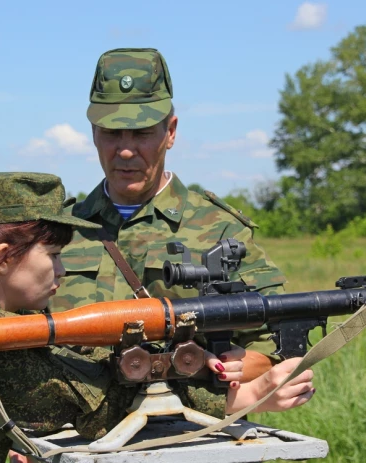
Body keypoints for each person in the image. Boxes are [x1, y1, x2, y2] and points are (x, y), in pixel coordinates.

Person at [0, 172, 314, 463]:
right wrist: (242, 396)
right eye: (52, 254)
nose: (62, 269)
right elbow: (99, 404)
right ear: (5, 256)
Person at [50, 48, 290, 382]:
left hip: (192, 424)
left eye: (142, 133)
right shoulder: (56, 232)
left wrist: (250, 364)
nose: (126, 150)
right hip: (71, 425)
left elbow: (275, 337)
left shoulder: (221, 231)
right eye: (111, 133)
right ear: (93, 133)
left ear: (171, 132)